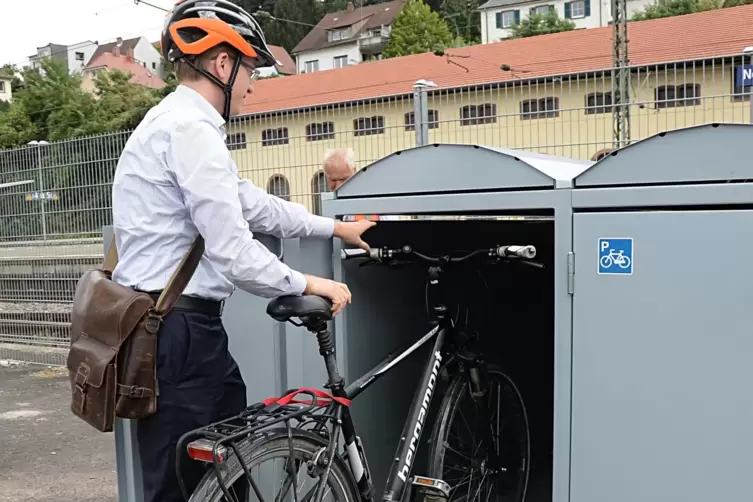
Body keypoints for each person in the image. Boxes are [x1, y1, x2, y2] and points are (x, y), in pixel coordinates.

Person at [109, 1, 375, 501]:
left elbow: (254, 204)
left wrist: (337, 228)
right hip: (180, 334)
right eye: (250, 69)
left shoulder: (170, 123)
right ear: (223, 64)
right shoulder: (191, 131)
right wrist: (308, 282)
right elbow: (233, 246)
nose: (253, 85)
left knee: (213, 477)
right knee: (186, 488)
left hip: (174, 332)